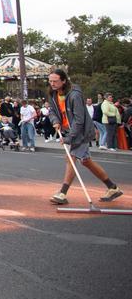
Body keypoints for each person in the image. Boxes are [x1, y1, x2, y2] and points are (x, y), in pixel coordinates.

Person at [46, 69, 122, 204]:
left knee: (71, 158)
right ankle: (112, 187)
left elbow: (79, 120)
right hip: (70, 130)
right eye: (50, 81)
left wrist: (69, 137)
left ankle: (62, 193)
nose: (52, 84)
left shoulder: (74, 95)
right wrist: (55, 121)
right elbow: (52, 110)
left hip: (81, 132)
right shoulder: (53, 94)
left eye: (55, 81)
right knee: (86, 161)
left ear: (63, 81)